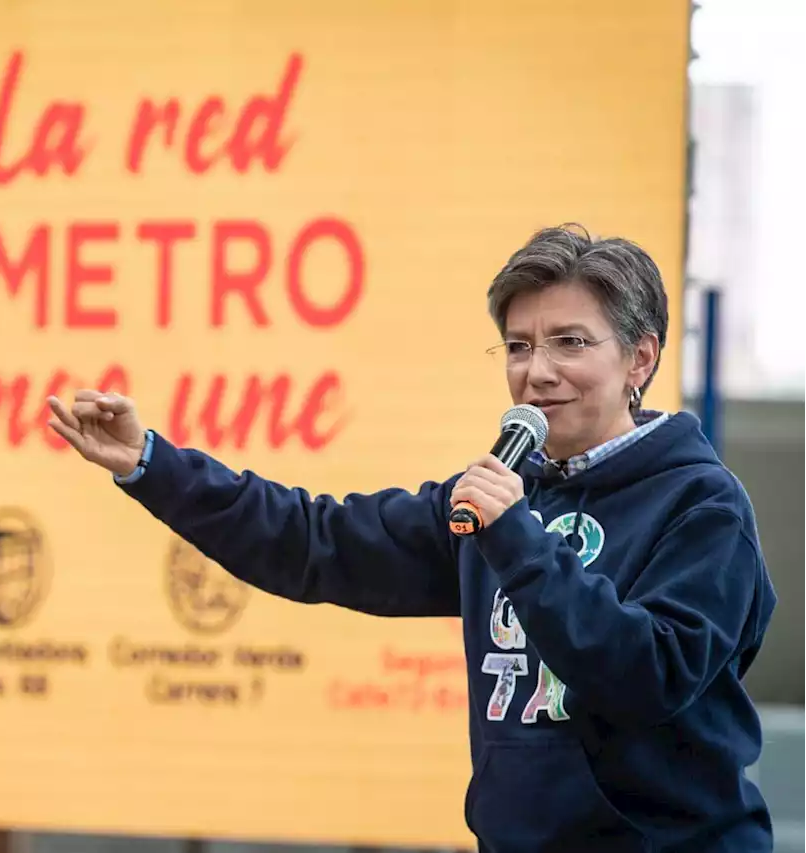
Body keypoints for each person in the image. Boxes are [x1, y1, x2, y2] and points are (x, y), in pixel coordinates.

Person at [47, 224, 777, 853]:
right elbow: (311, 542)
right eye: (518, 346)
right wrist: (152, 463)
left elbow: (648, 675)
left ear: (640, 360)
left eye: (570, 342)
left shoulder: (701, 506)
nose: (537, 371)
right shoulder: (496, 500)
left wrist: (518, 541)